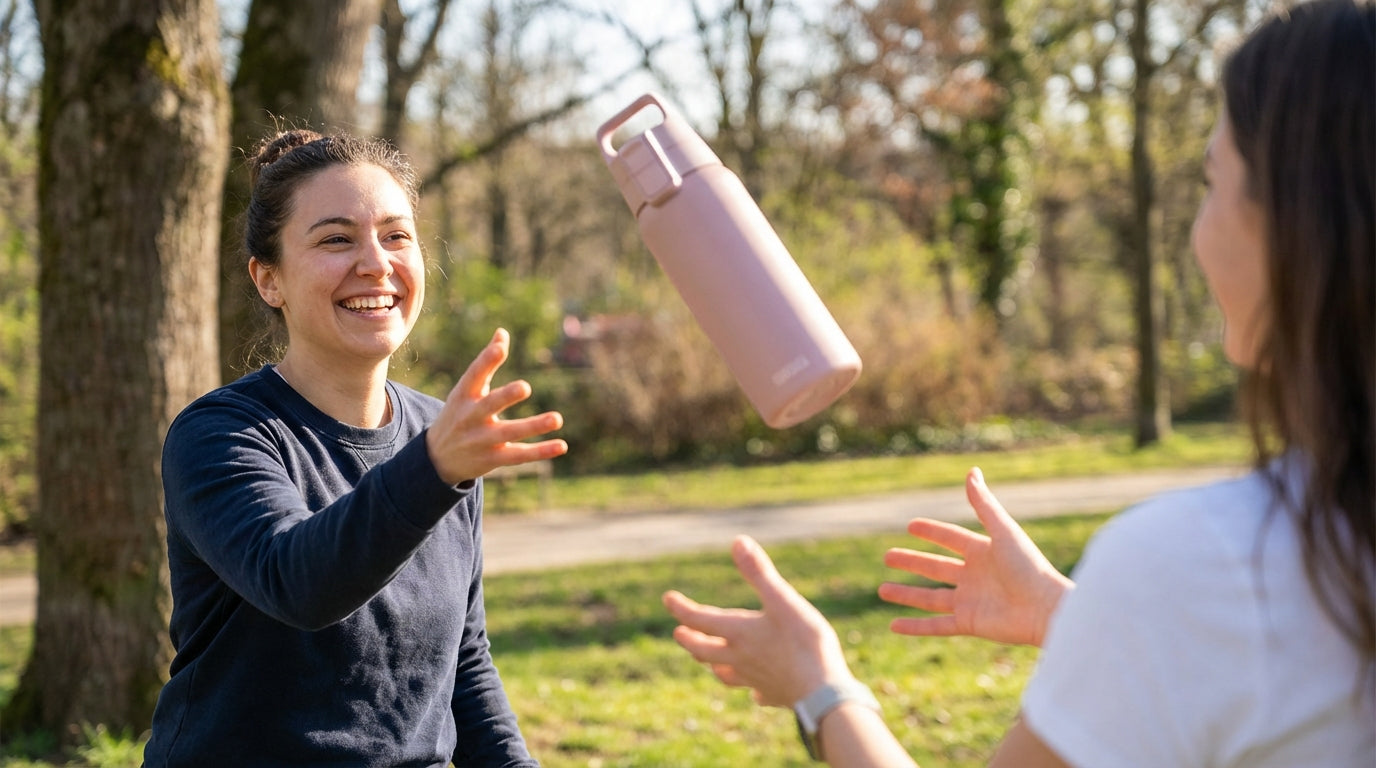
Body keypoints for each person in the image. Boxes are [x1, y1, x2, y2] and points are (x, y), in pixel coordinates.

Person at [662, 1, 1375, 765]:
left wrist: (821, 686)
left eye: (1210, 181)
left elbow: (1232, 631)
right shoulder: (1241, 583)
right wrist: (1089, 623)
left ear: (1300, 225)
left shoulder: (1207, 566)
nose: (1197, 227)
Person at [143, 129, 568, 767]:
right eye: (336, 239)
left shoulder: (439, 435)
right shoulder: (220, 434)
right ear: (269, 280)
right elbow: (298, 583)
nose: (375, 262)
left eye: (396, 236)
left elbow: (465, 665)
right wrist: (434, 468)